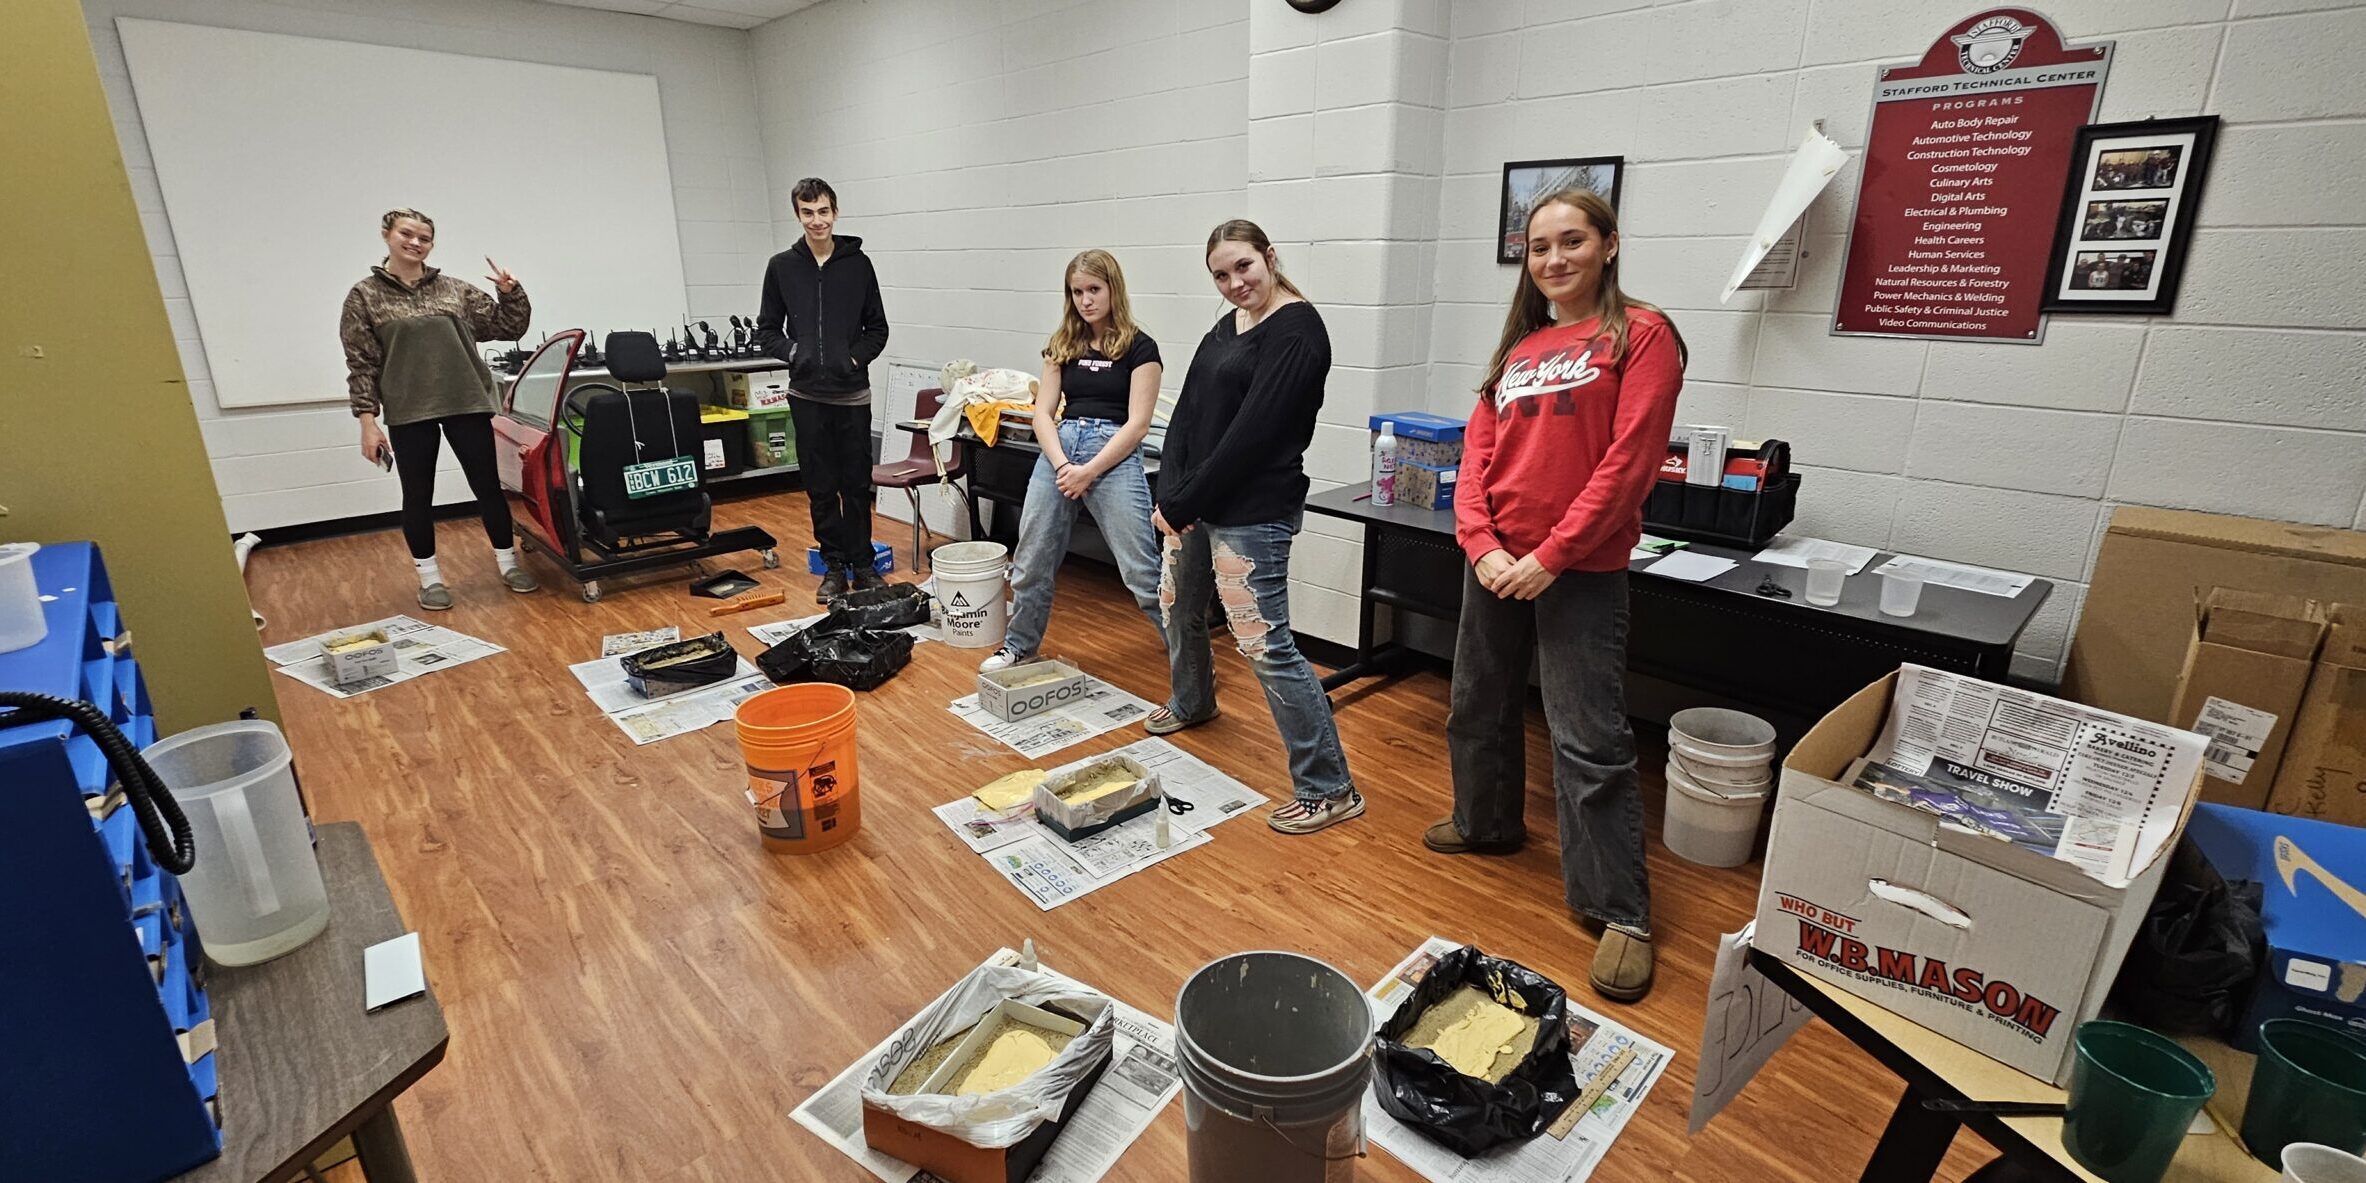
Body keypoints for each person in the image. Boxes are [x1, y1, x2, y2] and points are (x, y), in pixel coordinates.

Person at [1424, 188, 1688, 1003]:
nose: (1555, 259)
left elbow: (1629, 461)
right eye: (1540, 247)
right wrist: (1482, 544)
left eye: (1572, 241)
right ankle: (1487, 823)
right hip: (1496, 562)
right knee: (1476, 701)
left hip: (1579, 568)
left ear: (1610, 244)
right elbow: (1478, 457)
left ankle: (1621, 911)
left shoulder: (1641, 334)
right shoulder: (1520, 348)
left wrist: (1553, 553)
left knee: (1588, 737)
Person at [1152, 220, 1362, 836]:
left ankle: (1330, 788)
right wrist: (1170, 492)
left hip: (1254, 511)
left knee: (1266, 646)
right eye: (1221, 275)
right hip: (1196, 501)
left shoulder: (1298, 332)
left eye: (1244, 267)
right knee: (1178, 607)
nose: (1235, 282)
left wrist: (1186, 502)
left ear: (1269, 257)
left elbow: (1252, 437)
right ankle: (1193, 702)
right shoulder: (1229, 325)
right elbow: (1189, 410)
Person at [340, 208, 535, 611]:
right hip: (409, 410)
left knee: (487, 488)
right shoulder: (364, 296)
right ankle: (430, 580)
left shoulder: (454, 291)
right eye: (406, 234)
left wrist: (510, 291)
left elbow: (508, 327)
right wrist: (367, 422)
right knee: (418, 495)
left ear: (431, 244)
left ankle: (507, 563)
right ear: (386, 235)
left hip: (465, 401)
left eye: (424, 238)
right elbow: (361, 362)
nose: (415, 242)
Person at [980, 250, 1166, 672]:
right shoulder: (1062, 344)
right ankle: (1020, 646)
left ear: (1113, 289)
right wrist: (1064, 465)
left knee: (1141, 571)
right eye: (1077, 291)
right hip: (1061, 449)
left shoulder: (1141, 348)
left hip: (1112, 454)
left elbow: (1138, 425)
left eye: (1094, 290)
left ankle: (1189, 658)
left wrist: (1089, 471)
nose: (1086, 300)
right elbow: (1043, 414)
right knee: (1031, 559)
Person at [755, 177, 890, 601]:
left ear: (836, 212)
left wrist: (852, 359)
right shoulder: (782, 267)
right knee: (820, 486)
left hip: (852, 397)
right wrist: (796, 353)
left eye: (824, 211)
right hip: (807, 396)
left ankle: (864, 565)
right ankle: (832, 566)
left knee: (855, 484)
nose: (817, 220)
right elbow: (766, 330)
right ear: (798, 215)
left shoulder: (858, 265)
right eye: (808, 213)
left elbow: (878, 329)